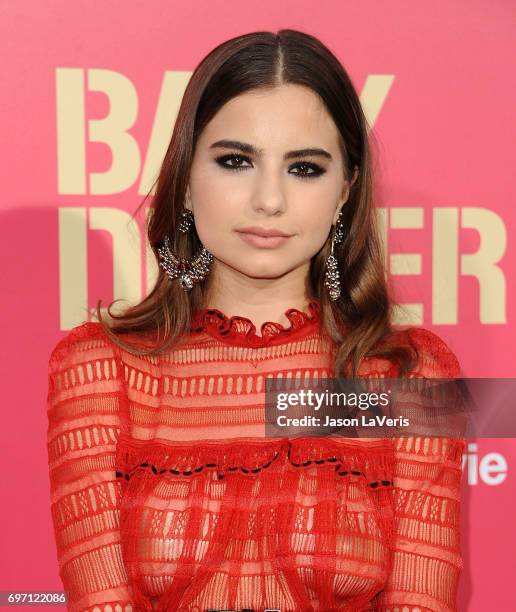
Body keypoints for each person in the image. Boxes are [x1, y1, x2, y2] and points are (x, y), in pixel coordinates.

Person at [46, 29, 465, 612]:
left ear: (345, 190)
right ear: (186, 180)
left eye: (305, 168)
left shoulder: (412, 376)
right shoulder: (101, 370)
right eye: (236, 161)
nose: (269, 200)